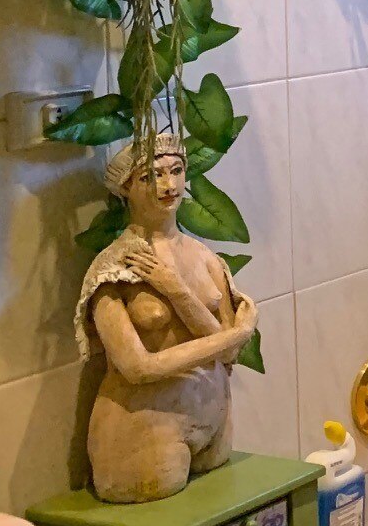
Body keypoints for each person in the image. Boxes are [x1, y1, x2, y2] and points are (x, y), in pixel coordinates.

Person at [76, 133, 258, 502]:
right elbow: (136, 368)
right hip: (144, 431)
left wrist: (176, 290)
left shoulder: (204, 256)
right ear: (125, 188)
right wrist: (238, 333)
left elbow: (227, 356)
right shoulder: (116, 267)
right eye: (150, 176)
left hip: (212, 421)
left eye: (176, 170)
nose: (168, 184)